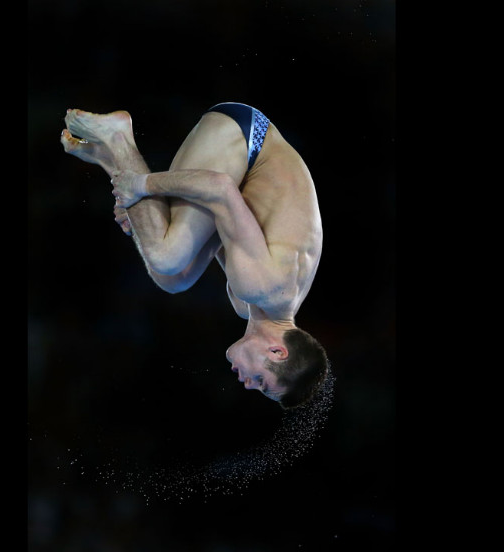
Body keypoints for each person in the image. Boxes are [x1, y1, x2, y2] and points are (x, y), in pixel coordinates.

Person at [60, 102, 330, 409]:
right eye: (260, 383)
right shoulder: (262, 287)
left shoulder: (253, 304)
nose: (246, 384)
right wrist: (141, 186)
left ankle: (110, 159)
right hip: (246, 137)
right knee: (167, 257)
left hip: (245, 158)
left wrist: (143, 220)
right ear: (277, 352)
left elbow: (222, 224)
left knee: (175, 277)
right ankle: (119, 139)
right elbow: (219, 188)